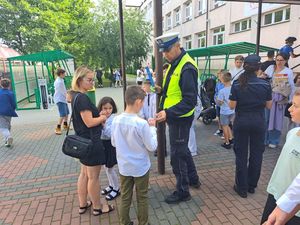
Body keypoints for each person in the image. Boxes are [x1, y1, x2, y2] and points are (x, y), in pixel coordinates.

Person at [155, 32, 201, 204]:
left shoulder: (187, 67)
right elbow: (176, 90)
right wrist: (161, 91)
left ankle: (183, 191)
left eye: (167, 50)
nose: (164, 54)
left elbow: (190, 101)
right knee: (183, 150)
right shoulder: (176, 62)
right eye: (162, 52)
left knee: (177, 155)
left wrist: (168, 112)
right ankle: (194, 179)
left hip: (180, 117)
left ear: (177, 46)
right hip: (176, 116)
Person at [71, 66, 114, 216]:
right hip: (91, 142)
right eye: (89, 80)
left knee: (84, 174)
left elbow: (85, 120)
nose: (92, 82)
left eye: (93, 79)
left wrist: (98, 116)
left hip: (83, 142)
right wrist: (103, 117)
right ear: (79, 80)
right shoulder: (83, 98)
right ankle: (98, 207)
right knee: (93, 177)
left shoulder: (76, 96)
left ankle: (83, 204)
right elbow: (89, 122)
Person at [111, 85, 157, 225]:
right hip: (140, 167)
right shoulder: (141, 123)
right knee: (142, 196)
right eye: (142, 102)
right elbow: (152, 146)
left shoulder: (116, 120)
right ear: (138, 102)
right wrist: (153, 128)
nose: (142, 105)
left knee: (125, 196)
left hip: (124, 166)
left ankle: (124, 221)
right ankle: (143, 222)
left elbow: (114, 142)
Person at [229, 54, 272, 198]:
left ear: (244, 66)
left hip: (241, 121)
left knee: (241, 154)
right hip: (258, 121)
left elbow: (232, 105)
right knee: (256, 154)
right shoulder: (265, 84)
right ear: (258, 68)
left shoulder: (236, 84)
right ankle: (251, 185)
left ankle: (241, 187)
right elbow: (269, 105)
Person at [261, 89, 300, 224]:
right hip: (275, 194)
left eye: (295, 106)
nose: (289, 109)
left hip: (295, 206)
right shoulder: (292, 133)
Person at [264, 53, 295, 148]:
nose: (279, 62)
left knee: (276, 120)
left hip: (279, 100)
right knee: (265, 119)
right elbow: (262, 77)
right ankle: (264, 139)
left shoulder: (288, 71)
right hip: (268, 97)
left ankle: (274, 140)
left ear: (285, 61)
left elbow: (291, 86)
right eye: (277, 59)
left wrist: (291, 99)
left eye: (281, 60)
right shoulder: (270, 68)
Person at [97, 97, 120, 201]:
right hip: (102, 144)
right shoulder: (99, 116)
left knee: (110, 168)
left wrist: (103, 124)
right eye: (105, 108)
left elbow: (110, 134)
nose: (107, 111)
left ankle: (116, 188)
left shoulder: (114, 118)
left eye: (110, 108)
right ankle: (111, 185)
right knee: (106, 167)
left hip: (110, 145)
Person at [217, 71, 234, 149]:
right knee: (228, 125)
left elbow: (219, 103)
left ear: (223, 80)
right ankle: (231, 138)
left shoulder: (222, 91)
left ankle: (227, 143)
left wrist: (217, 101)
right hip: (232, 110)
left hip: (224, 111)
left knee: (224, 126)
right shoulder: (234, 88)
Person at [0, 78, 17, 147]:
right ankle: (6, 141)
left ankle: (8, 137)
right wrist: (13, 109)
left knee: (3, 127)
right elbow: (14, 103)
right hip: (9, 112)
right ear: (9, 85)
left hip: (1, 112)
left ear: (1, 85)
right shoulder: (11, 93)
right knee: (7, 125)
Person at [54, 68, 70, 135]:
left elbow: (64, 90)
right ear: (60, 74)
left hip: (63, 99)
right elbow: (63, 91)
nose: (64, 75)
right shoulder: (59, 82)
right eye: (64, 74)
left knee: (66, 113)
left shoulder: (61, 80)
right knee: (62, 114)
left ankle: (65, 125)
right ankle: (58, 128)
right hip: (60, 99)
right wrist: (68, 97)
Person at [214, 70, 225, 137]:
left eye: (220, 75)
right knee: (218, 116)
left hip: (223, 104)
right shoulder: (218, 83)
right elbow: (216, 92)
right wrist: (215, 98)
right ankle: (220, 129)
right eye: (218, 75)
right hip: (217, 103)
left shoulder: (225, 84)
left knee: (223, 117)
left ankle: (225, 131)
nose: (219, 76)